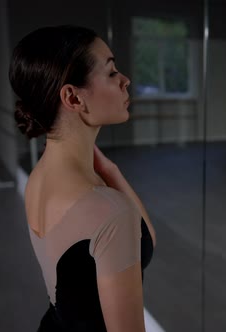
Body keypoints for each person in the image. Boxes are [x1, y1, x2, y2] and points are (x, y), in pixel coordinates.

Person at [9, 25, 156, 332]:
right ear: (73, 98)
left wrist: (110, 171)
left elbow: (147, 238)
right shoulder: (110, 211)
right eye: (112, 72)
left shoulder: (39, 176)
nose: (126, 80)